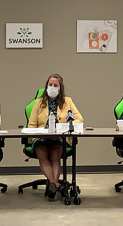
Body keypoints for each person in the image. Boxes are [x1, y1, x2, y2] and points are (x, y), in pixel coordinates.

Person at [28, 73, 84, 201]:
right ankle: (56, 184)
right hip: (41, 138)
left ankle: (52, 185)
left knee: (55, 154)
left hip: (59, 138)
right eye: (50, 85)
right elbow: (31, 125)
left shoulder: (67, 101)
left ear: (60, 88)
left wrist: (64, 127)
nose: (52, 87)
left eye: (55, 85)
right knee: (42, 152)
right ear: (46, 86)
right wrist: (41, 132)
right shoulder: (38, 103)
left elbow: (79, 119)